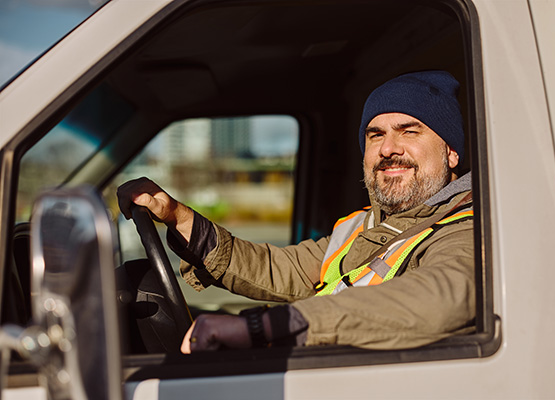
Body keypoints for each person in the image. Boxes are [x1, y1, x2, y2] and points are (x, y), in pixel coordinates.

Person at [117, 70, 475, 353]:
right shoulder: (364, 224)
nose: (387, 149)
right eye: (375, 134)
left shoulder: (469, 229)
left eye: (409, 131)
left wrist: (263, 328)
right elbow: (278, 269)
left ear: (451, 152)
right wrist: (178, 217)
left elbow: (439, 298)